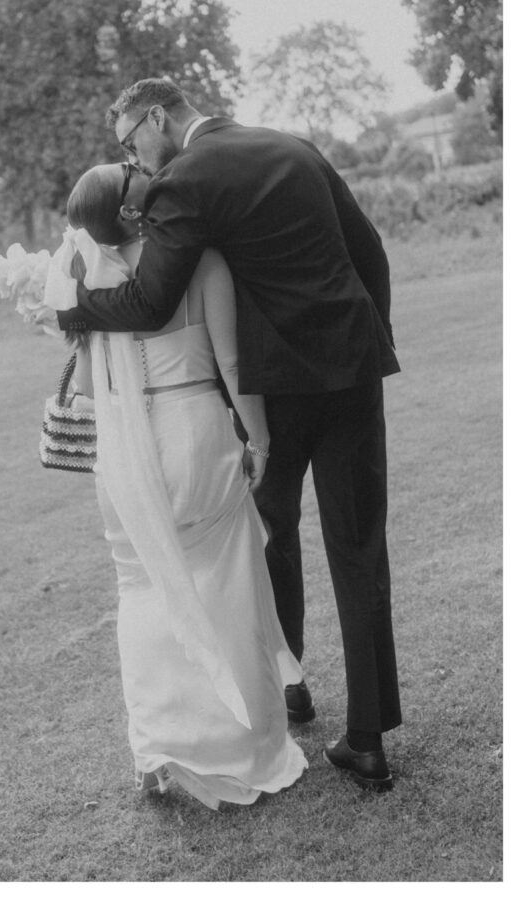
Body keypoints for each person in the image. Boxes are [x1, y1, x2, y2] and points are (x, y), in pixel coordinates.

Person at [55, 78, 402, 791]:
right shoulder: (293, 147)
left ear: (158, 116)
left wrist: (73, 306)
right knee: (360, 547)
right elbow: (369, 252)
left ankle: (290, 685)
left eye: (131, 143)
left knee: (270, 536)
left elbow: (151, 300)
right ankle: (366, 738)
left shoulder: (182, 179)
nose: (136, 161)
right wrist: (369, 335)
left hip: (274, 387)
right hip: (350, 367)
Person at [43, 162, 307, 811]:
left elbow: (81, 377)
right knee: (226, 583)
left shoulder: (82, 280)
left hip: (126, 453)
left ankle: (159, 747)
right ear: (138, 208)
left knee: (141, 586)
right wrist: (260, 440)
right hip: (194, 431)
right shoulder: (202, 262)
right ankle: (243, 748)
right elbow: (233, 361)